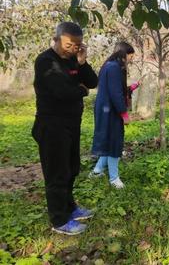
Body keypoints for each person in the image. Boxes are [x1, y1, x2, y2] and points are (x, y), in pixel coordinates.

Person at [31, 22, 98, 235]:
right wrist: (80, 90)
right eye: (70, 44)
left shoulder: (73, 60)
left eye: (78, 45)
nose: (73, 49)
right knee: (57, 173)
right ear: (57, 39)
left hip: (71, 124)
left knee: (71, 169)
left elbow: (92, 82)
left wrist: (82, 63)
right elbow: (62, 92)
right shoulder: (45, 62)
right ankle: (59, 220)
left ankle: (70, 208)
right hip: (52, 125)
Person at [89, 42, 139, 189]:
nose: (132, 59)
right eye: (131, 56)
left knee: (109, 141)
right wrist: (124, 113)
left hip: (106, 108)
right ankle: (114, 179)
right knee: (114, 143)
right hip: (110, 110)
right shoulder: (114, 68)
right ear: (124, 54)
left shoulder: (110, 66)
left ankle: (97, 171)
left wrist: (133, 87)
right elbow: (116, 93)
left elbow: (117, 89)